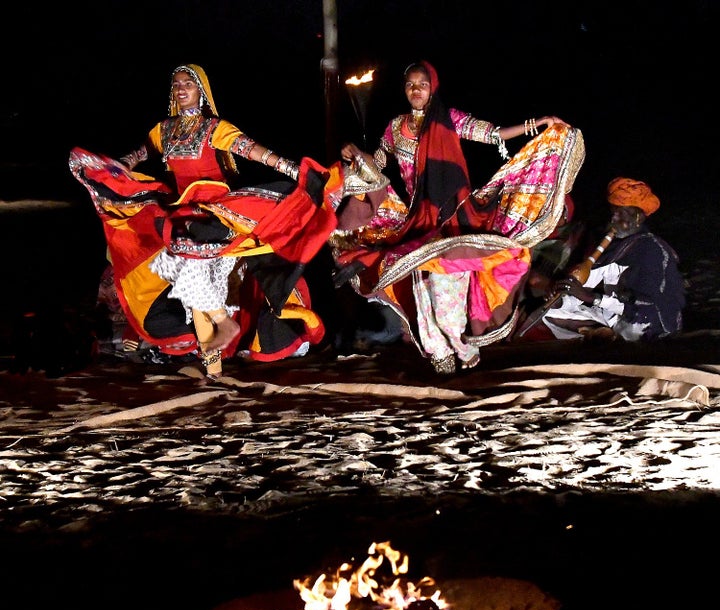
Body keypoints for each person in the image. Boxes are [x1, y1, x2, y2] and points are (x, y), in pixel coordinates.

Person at [70, 64, 341, 380]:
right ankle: (213, 370)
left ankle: (224, 324)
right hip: (183, 216)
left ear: (202, 90)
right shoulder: (164, 130)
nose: (181, 88)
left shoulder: (214, 128)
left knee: (192, 271)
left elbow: (252, 151)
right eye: (176, 84)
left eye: (189, 83)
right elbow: (135, 157)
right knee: (188, 284)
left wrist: (293, 170)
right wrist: (112, 172)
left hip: (216, 214)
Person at [331, 60, 585, 373]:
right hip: (417, 226)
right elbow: (378, 165)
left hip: (452, 224)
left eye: (422, 84)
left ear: (432, 86)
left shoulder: (449, 120)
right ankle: (442, 365)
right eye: (410, 84)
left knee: (446, 311)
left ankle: (465, 352)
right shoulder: (396, 127)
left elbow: (494, 134)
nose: (416, 90)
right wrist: (356, 155)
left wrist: (538, 123)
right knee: (423, 299)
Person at [540, 177, 685, 342]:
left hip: (648, 322)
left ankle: (602, 335)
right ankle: (602, 333)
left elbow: (649, 307)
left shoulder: (651, 250)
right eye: (613, 212)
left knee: (636, 328)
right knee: (551, 314)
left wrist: (593, 298)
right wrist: (563, 293)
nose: (614, 220)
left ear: (637, 218)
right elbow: (584, 285)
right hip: (613, 314)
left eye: (621, 214)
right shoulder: (613, 248)